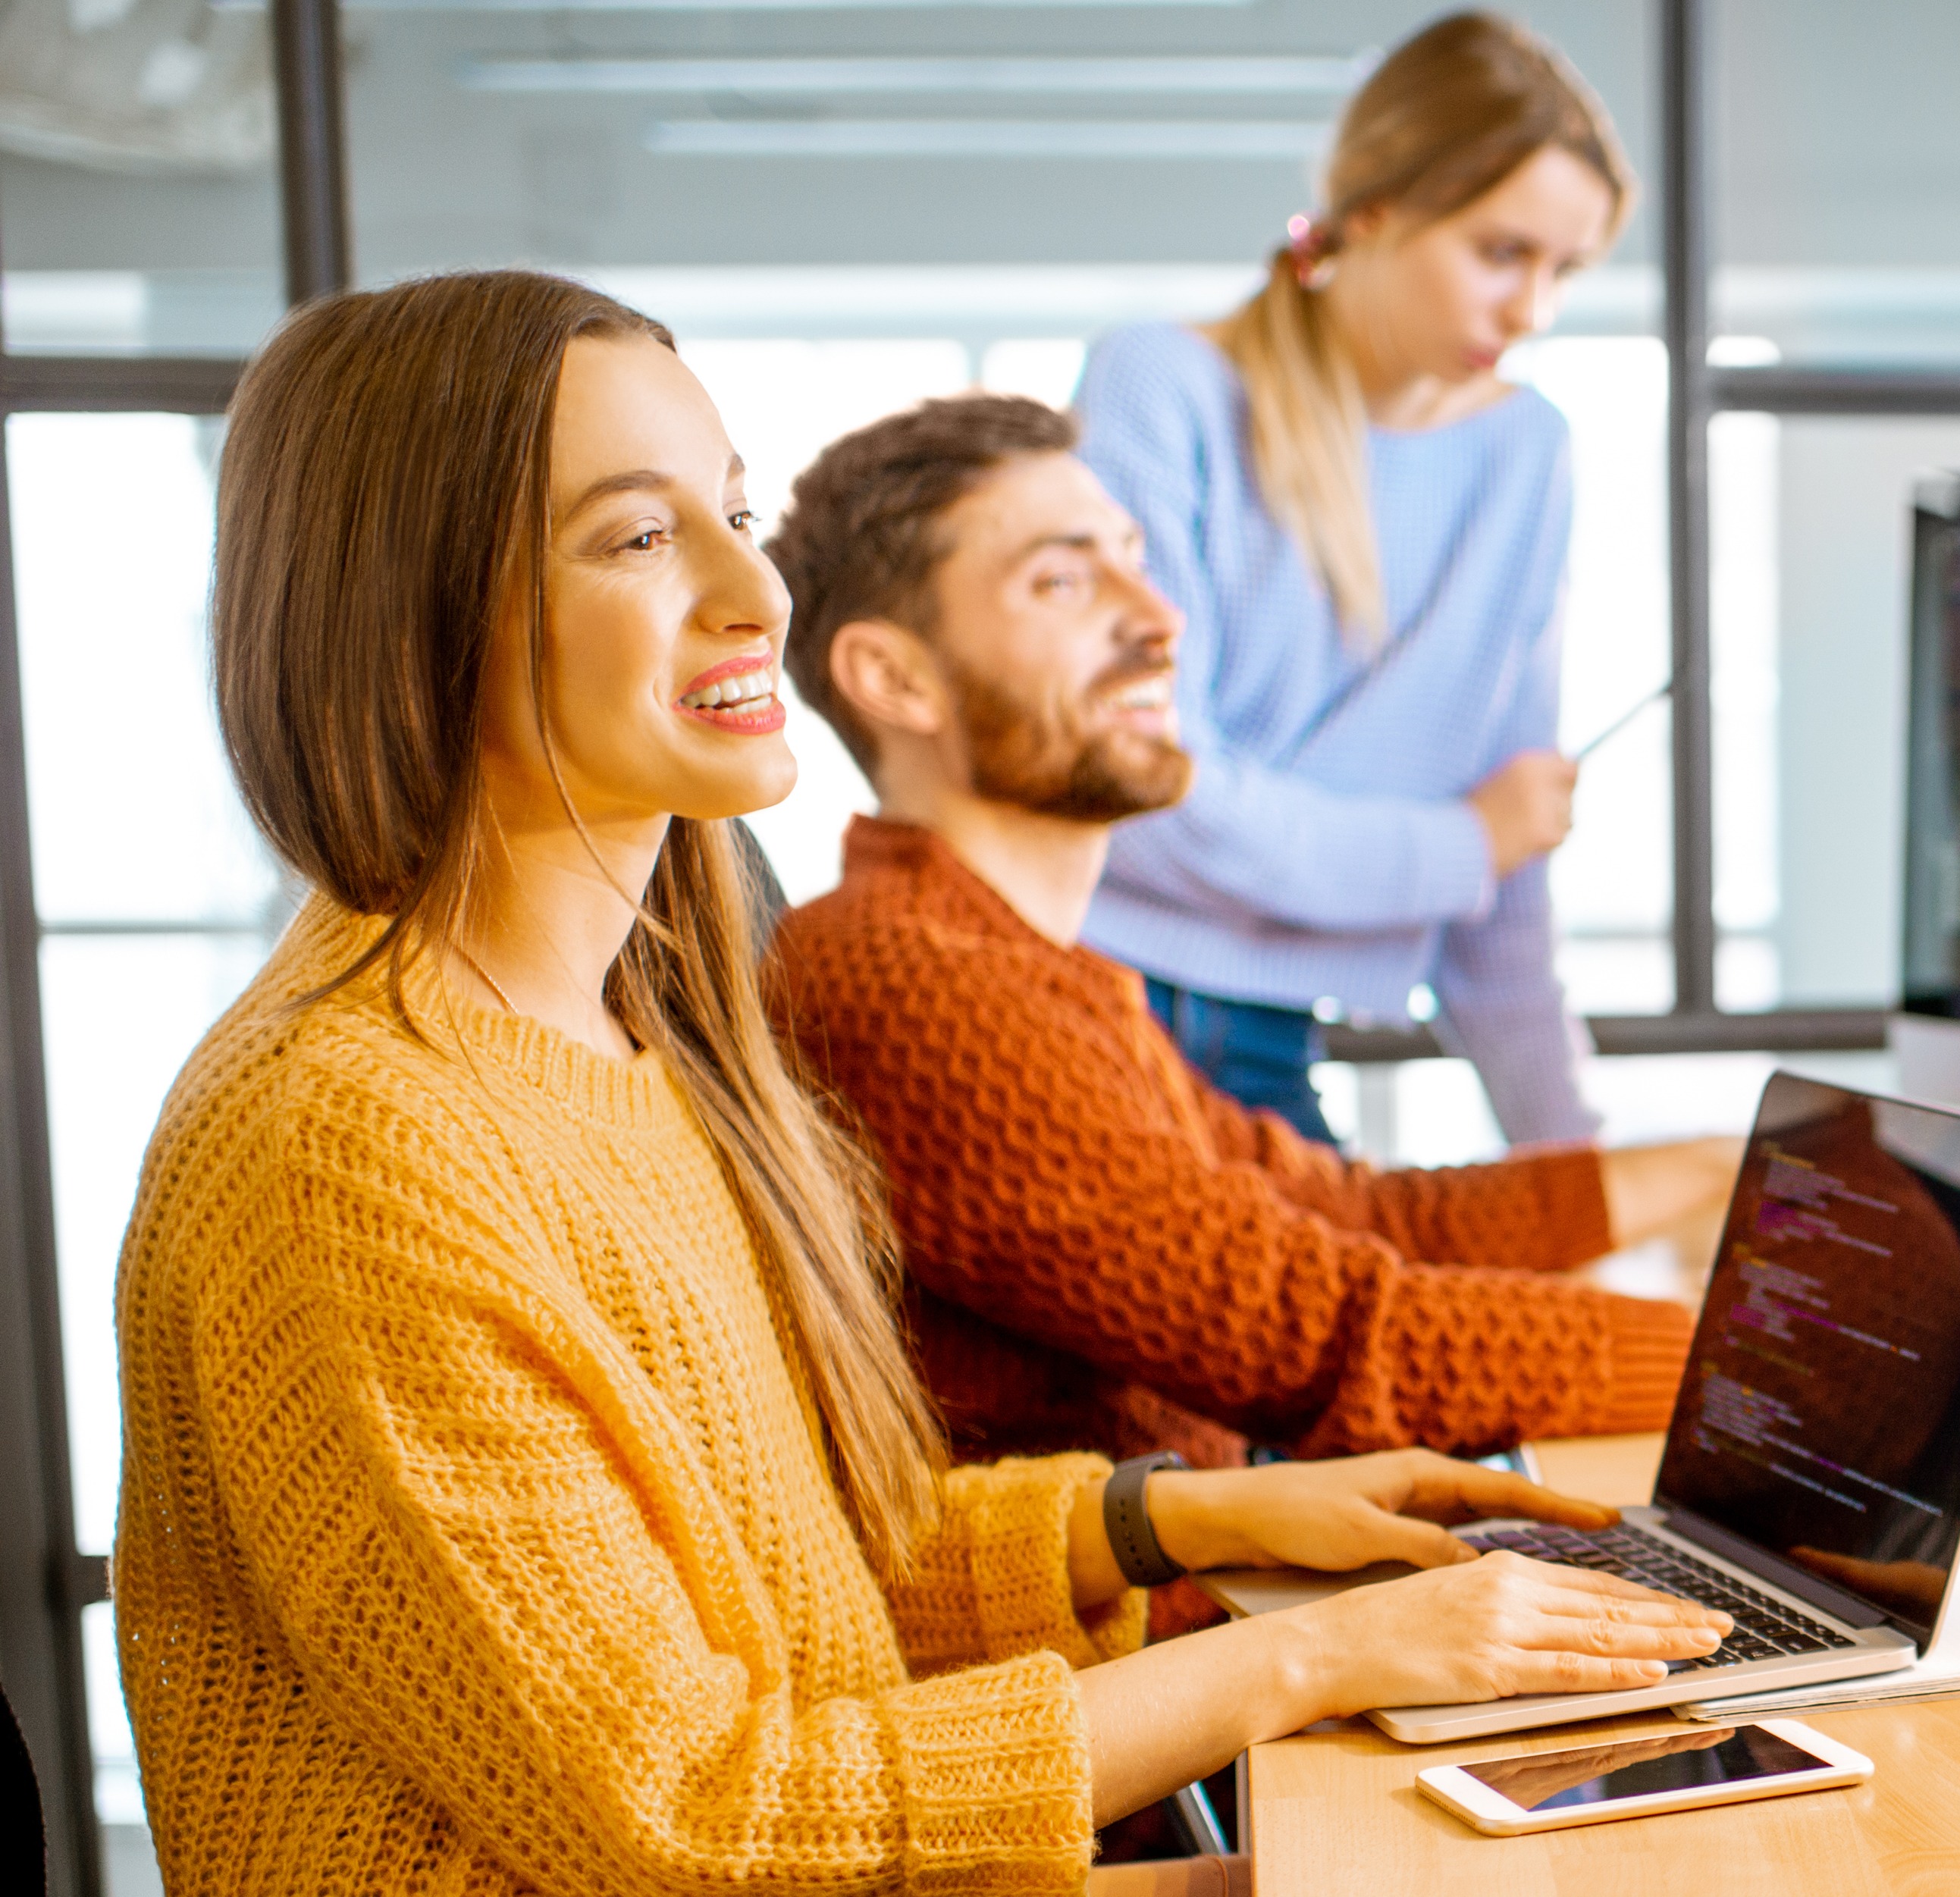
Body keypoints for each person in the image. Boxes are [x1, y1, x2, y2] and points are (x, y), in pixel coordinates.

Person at [113, 271, 1728, 1894]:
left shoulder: (641, 1043)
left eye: (732, 514)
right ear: (413, 616)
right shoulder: (349, 1146)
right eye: (637, 537)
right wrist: (1314, 1656)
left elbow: (805, 1576)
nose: (756, 591)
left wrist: (1184, 1521)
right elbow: (692, 1812)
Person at [763, 393, 1960, 1482]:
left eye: (1139, 562)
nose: (1159, 619)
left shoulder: (1016, 968)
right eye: (1064, 582)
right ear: (892, 674)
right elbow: (1338, 1336)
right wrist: (1862, 1354)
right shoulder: (915, 983)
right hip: (1161, 1767)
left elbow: (1366, 1217)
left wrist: (1738, 1167)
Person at [1070, 9, 1622, 1148]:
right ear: (1374, 213)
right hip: (1095, 1004)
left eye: (1565, 269)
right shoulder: (1161, 386)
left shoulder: (1529, 454)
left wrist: (1579, 1176)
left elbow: (1503, 896)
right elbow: (1146, 793)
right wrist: (1461, 846)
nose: (1531, 310)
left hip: (1272, 1033)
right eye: (1501, 251)